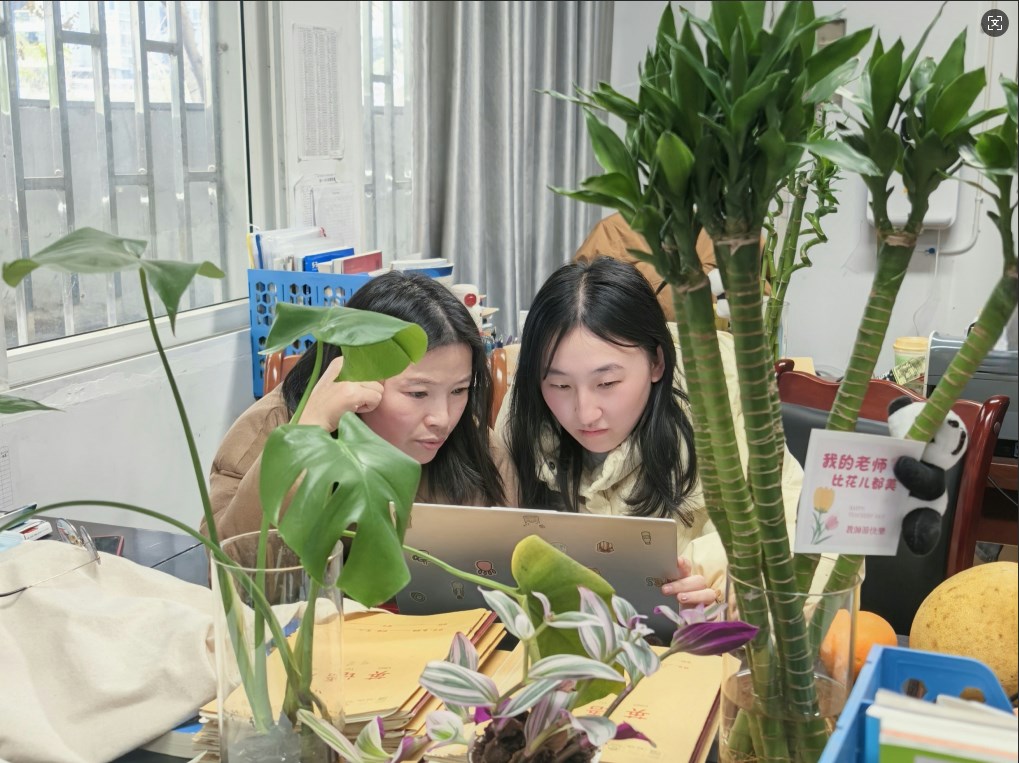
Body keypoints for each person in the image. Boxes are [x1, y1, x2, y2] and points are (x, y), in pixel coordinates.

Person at [498, 256, 802, 608]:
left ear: (656, 362)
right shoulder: (525, 411)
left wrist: (714, 579)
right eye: (560, 385)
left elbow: (781, 522)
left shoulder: (720, 393)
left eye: (607, 383)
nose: (585, 413)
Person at [206, 271, 506, 540]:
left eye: (459, 390)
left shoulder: (472, 439)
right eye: (418, 393)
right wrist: (308, 432)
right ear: (358, 375)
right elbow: (230, 563)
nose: (442, 418)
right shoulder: (263, 432)